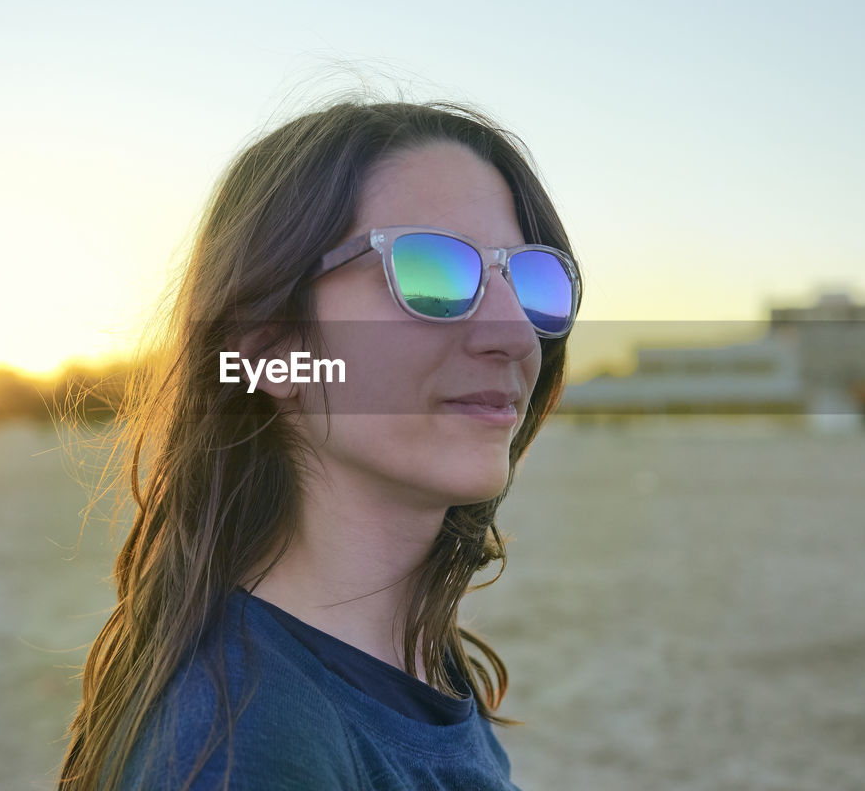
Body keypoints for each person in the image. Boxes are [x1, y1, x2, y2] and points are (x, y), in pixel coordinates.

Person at [55, 95, 583, 790]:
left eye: (531, 279)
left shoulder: (417, 657)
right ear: (273, 350)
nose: (516, 333)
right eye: (429, 273)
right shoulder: (239, 751)